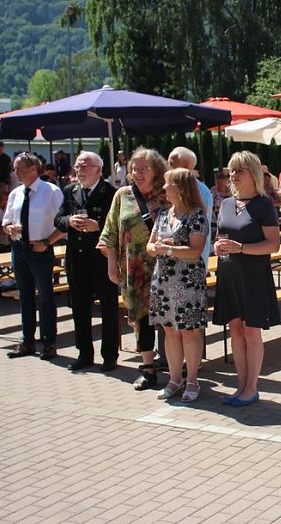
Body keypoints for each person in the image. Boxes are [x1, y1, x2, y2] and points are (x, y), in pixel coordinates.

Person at [213, 151, 281, 406]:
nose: (233, 175)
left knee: (251, 330)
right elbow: (221, 234)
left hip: (253, 275)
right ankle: (241, 386)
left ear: (253, 174)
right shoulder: (227, 203)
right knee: (235, 329)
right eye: (231, 170)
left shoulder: (264, 204)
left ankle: (251, 388)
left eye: (239, 170)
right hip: (229, 273)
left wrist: (240, 248)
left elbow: (273, 245)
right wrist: (218, 245)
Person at [98, 147, 170, 391]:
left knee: (170, 320)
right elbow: (109, 232)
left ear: (156, 170)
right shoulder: (122, 195)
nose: (138, 173)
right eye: (134, 169)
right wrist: (111, 265)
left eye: (144, 169)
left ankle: (177, 369)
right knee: (142, 319)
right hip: (134, 270)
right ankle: (148, 370)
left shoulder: (168, 194)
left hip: (166, 268)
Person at [54, 152, 120, 373]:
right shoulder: (70, 191)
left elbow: (119, 226)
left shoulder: (110, 192)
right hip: (76, 259)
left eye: (85, 166)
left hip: (101, 260)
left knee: (108, 308)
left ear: (98, 170)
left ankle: (110, 356)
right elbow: (58, 219)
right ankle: (84, 354)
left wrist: (98, 226)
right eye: (77, 165)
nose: (80, 170)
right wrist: (69, 221)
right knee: (80, 309)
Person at [147, 168, 209, 402]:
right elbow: (150, 246)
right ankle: (174, 380)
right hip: (162, 280)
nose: (163, 188)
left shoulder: (197, 215)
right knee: (169, 330)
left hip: (187, 281)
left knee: (189, 332)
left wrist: (168, 248)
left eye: (167, 184)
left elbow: (195, 251)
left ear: (180, 188)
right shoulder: (163, 214)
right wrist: (156, 248)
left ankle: (192, 380)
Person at [2, 153, 65, 360]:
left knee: (46, 298)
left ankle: (49, 342)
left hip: (40, 250)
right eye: (14, 168)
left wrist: (47, 242)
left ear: (33, 169)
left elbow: (64, 224)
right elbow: (6, 222)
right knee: (25, 296)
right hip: (19, 249)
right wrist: (9, 228)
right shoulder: (16, 193)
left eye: (19, 168)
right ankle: (27, 340)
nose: (15, 172)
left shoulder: (51, 192)